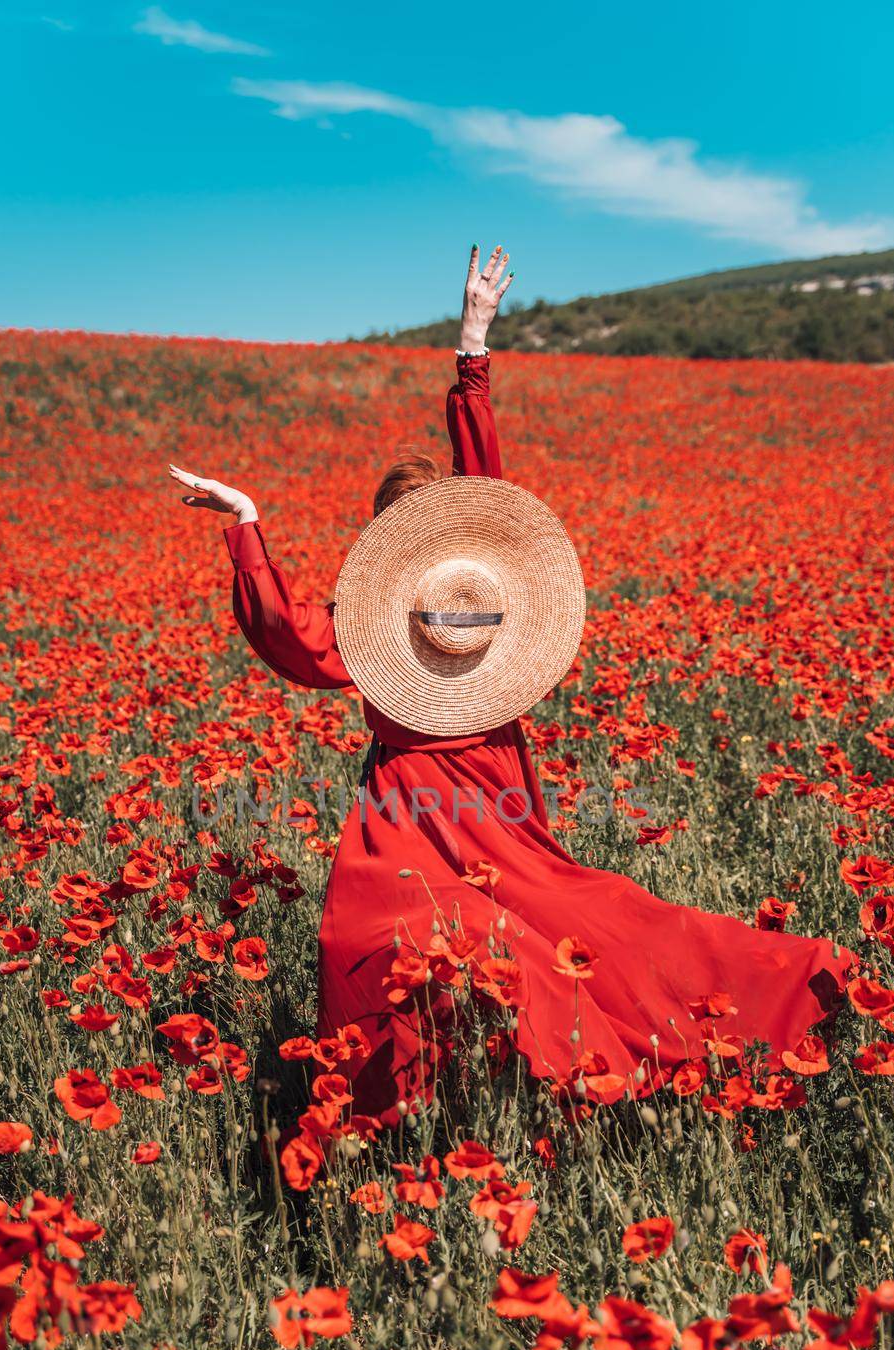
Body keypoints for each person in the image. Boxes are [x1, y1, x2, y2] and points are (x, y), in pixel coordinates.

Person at [169, 246, 851, 1124]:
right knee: (370, 938)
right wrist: (248, 522)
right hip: (407, 809)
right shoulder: (378, 625)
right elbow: (291, 631)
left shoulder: (481, 604)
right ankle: (407, 1110)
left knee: (559, 933)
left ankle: (577, 1075)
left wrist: (474, 344)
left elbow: (470, 502)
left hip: (486, 797)